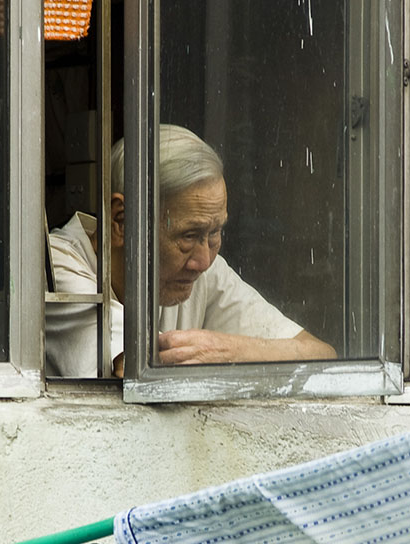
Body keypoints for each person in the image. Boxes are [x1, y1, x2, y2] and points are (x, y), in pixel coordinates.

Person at [45, 124, 336, 377]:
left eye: (215, 233)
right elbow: (139, 368)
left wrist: (230, 351)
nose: (204, 260)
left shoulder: (201, 268)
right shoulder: (54, 263)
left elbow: (320, 357)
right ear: (122, 220)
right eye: (189, 235)